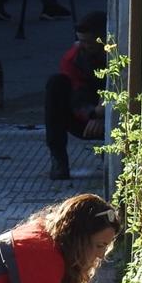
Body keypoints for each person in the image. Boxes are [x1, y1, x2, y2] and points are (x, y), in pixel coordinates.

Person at [44, 10, 106, 180]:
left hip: (113, 113)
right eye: (81, 41)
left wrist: (105, 114)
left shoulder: (117, 53)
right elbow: (78, 95)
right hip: (86, 116)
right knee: (56, 83)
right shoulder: (74, 58)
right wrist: (94, 114)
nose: (83, 45)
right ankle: (58, 159)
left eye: (89, 42)